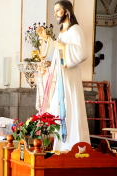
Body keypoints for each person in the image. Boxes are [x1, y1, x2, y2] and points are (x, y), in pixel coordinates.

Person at [35, 0, 90, 152]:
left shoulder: (75, 29)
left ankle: (77, 147)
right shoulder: (62, 32)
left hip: (70, 77)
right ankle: (62, 146)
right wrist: (45, 39)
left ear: (67, 11)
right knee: (60, 109)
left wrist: (65, 48)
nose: (55, 14)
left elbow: (82, 53)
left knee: (71, 107)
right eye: (55, 11)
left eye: (58, 10)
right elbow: (56, 55)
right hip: (60, 77)